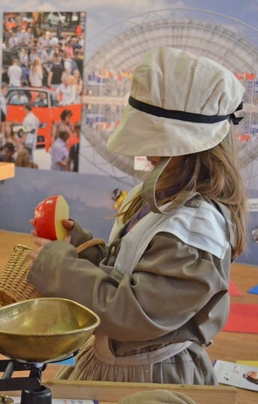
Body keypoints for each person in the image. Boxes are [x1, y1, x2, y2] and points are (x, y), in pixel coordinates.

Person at [27, 47, 246, 385]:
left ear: (188, 147)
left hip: (154, 378)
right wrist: (84, 248)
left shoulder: (196, 229)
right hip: (122, 362)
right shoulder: (161, 197)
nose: (144, 152)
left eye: (153, 140)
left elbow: (133, 311)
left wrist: (60, 266)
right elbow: (135, 270)